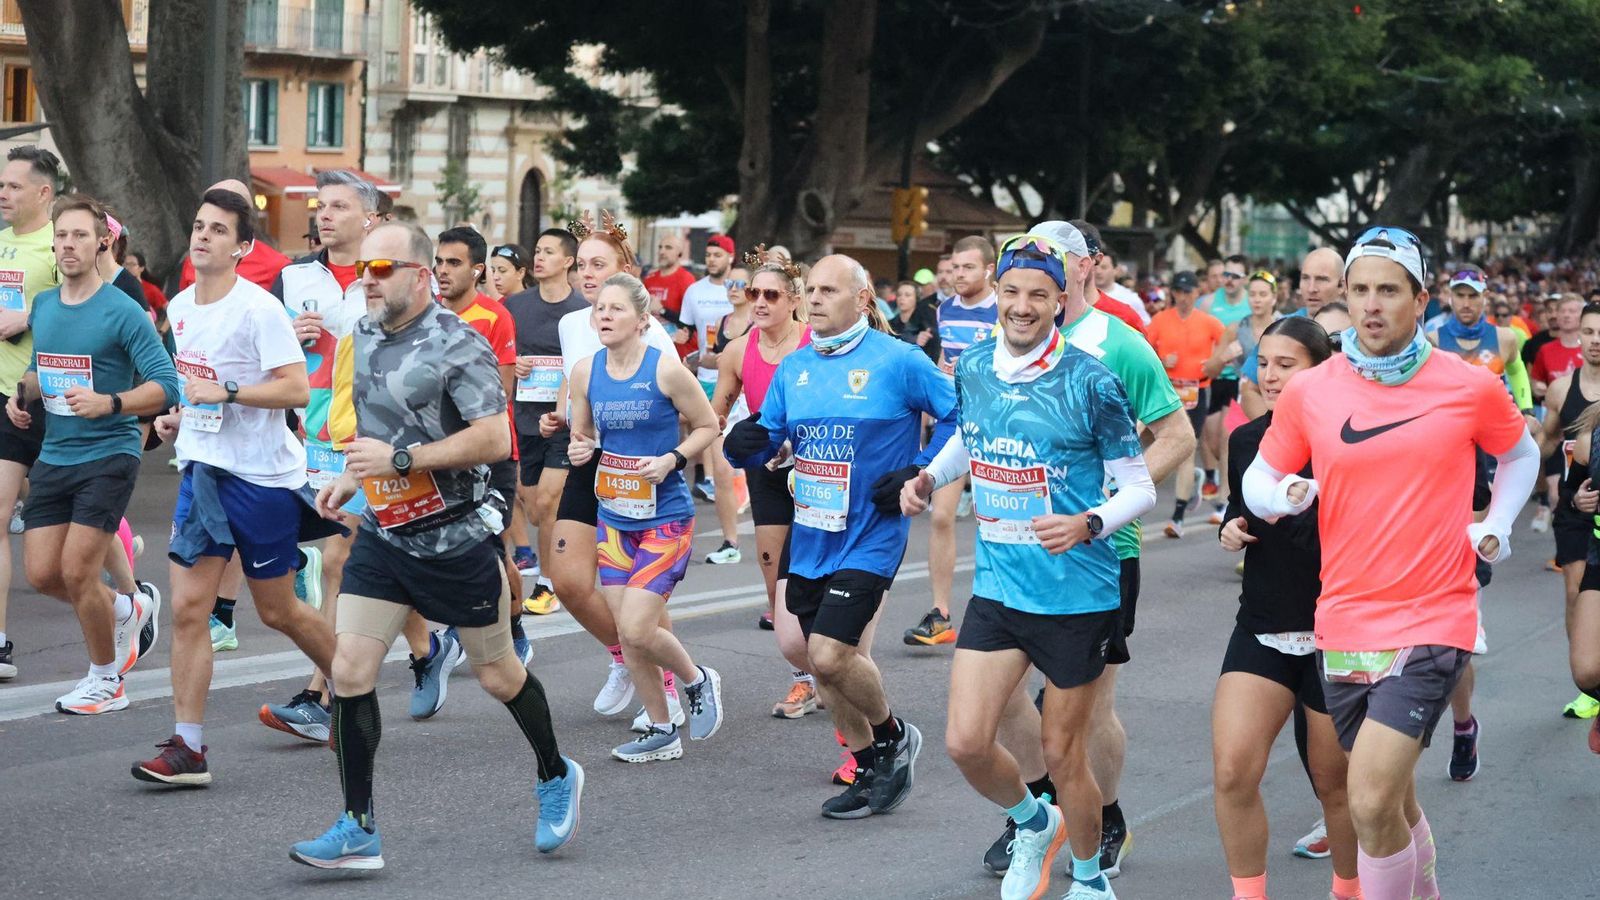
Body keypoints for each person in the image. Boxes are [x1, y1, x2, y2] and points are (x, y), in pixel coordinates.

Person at [1244, 226, 1538, 900]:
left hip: (1436, 614)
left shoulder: (1468, 386)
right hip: (1344, 618)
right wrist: (1283, 493)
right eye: (1360, 289)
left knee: (1368, 801)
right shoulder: (1313, 391)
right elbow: (1259, 477)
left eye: (1388, 290)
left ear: (1419, 299)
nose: (1371, 304)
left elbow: (1521, 454)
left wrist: (1496, 524)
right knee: (1396, 802)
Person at [289, 221, 581, 869]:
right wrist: (351, 478)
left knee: (498, 675)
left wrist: (400, 458)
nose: (367, 277)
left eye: (383, 267)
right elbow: (375, 425)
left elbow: (493, 440)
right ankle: (358, 825)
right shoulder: (362, 334)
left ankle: (556, 772)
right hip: (387, 534)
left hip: (456, 538)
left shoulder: (460, 344)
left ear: (420, 276)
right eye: (364, 266)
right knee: (350, 671)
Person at [903, 228, 1157, 900]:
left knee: (1064, 752)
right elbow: (970, 436)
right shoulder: (977, 365)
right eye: (1011, 291)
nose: (1021, 305)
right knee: (964, 742)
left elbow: (1140, 485)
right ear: (998, 294)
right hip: (1000, 585)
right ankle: (1031, 821)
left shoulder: (1091, 381)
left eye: (1036, 294)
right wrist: (929, 477)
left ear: (1057, 300)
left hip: (1077, 594)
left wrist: (1089, 522)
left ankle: (1090, 879)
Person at [975, 220, 1194, 881]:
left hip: (1100, 551)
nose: (1042, 269)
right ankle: (1044, 810)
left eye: (1059, 260)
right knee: (1002, 699)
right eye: (1027, 259)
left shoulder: (1119, 343)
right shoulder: (1007, 334)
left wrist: (1100, 506)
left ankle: (1107, 815)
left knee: (1087, 707)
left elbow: (1177, 436)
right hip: (1011, 549)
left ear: (1087, 268)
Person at [725, 252, 957, 820]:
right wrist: (751, 442)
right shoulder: (795, 368)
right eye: (813, 290)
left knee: (831, 652)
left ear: (863, 299)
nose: (817, 299)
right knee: (815, 659)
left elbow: (961, 416)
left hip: (872, 532)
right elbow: (772, 437)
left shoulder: (899, 361)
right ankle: (868, 764)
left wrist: (920, 470)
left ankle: (892, 737)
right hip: (813, 533)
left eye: (830, 290)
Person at [132, 189, 337, 785]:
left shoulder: (257, 310)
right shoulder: (182, 305)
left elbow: (296, 389)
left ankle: (351, 693)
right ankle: (187, 747)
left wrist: (227, 394)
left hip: (262, 478)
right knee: (190, 609)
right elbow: (194, 385)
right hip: (202, 471)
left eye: (218, 231)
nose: (203, 237)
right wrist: (179, 418)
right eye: (199, 227)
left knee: (278, 610)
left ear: (243, 247)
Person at [8, 193, 177, 714]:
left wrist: (111, 403)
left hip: (110, 452)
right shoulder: (46, 306)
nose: (68, 245)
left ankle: (107, 679)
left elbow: (167, 385)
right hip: (56, 453)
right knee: (41, 574)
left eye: (80, 235)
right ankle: (126, 606)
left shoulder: (124, 311)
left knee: (79, 571)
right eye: (61, 236)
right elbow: (46, 369)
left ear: (103, 240)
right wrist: (25, 393)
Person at [1214, 316, 1360, 900]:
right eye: (1264, 363)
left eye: (1286, 364)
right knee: (1231, 772)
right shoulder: (1248, 440)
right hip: (1266, 623)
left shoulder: (1352, 439)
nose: (1270, 376)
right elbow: (1238, 505)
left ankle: (1349, 889)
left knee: (1336, 787)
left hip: (1339, 630)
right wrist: (1231, 527)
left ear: (1320, 369)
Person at [566, 272, 725, 762]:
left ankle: (697, 680)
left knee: (637, 628)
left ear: (641, 320)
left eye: (616, 309)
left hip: (665, 518)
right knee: (627, 633)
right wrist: (578, 447)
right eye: (599, 309)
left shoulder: (667, 370)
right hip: (614, 515)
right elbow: (583, 435)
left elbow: (708, 425)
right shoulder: (585, 371)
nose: (604, 317)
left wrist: (673, 459)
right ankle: (661, 730)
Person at [250, 170, 377, 730]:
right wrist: (290, 337)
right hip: (313, 433)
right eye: (320, 206)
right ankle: (427, 649)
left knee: (339, 560)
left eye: (339, 206)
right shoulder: (294, 275)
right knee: (344, 562)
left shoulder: (387, 274)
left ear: (369, 218)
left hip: (373, 433)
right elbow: (266, 355)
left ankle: (323, 696)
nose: (324, 216)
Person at [543, 212, 680, 722]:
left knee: (643, 591)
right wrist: (561, 417)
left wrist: (664, 460)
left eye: (598, 264)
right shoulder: (570, 324)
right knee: (569, 580)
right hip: (587, 462)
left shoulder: (652, 333)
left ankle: (666, 684)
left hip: (638, 467)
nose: (586, 274)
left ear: (625, 269)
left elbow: (676, 401)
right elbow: (576, 380)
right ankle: (625, 655)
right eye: (581, 265)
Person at [710, 247, 819, 720]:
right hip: (767, 468)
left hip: (820, 469)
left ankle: (837, 659)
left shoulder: (815, 344)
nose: (758, 302)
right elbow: (713, 412)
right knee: (775, 574)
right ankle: (805, 677)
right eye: (754, 292)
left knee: (820, 572)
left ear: (794, 299)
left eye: (771, 294)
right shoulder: (738, 349)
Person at [905, 235, 996, 646]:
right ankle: (940, 614)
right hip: (956, 420)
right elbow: (945, 364)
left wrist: (975, 369)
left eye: (968, 268)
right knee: (941, 515)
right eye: (955, 268)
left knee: (996, 520)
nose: (958, 275)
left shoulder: (1005, 307)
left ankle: (1000, 608)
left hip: (999, 422)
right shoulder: (946, 309)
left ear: (989, 271)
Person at [0, 145, 62, 681]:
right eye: (2, 185)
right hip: (3, 393)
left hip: (48, 394)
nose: (3, 192)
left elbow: (85, 307)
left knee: (79, 516)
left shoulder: (59, 244)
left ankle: (132, 598)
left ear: (43, 193)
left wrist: (27, 316)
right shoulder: (0, 243)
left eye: (15, 185)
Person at [505, 228, 588, 614]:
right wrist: (516, 362)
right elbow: (501, 354)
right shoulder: (515, 306)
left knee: (550, 498)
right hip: (525, 418)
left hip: (565, 421)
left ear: (568, 261)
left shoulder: (581, 309)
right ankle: (557, 567)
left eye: (548, 252)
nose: (538, 258)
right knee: (535, 507)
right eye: (537, 250)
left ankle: (548, 583)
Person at [1535, 302, 1600, 721]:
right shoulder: (1563, 389)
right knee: (1575, 589)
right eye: (1591, 332)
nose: (1597, 341)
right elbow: (1545, 441)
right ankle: (1589, 685)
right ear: (1579, 335)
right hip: (1578, 508)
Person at [1145, 270, 1224, 538]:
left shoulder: (1209, 322)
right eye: (1179, 291)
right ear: (1173, 293)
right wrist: (1159, 359)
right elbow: (1143, 352)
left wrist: (1214, 364)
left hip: (1197, 392)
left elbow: (1227, 345)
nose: (1183, 297)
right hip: (1165, 391)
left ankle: (1177, 516)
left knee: (1186, 450)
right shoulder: (1159, 320)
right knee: (1152, 443)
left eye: (1188, 292)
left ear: (1196, 293)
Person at [678, 233, 742, 557]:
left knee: (758, 468)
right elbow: (689, 335)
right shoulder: (696, 293)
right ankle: (730, 541)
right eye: (710, 254)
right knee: (721, 469)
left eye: (719, 254)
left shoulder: (757, 309)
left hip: (747, 391)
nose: (713, 259)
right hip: (709, 382)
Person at [1529, 294, 1585, 534]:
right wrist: (1539, 388)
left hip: (1586, 434)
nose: (1566, 315)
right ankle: (1564, 550)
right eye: (1563, 311)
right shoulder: (1546, 350)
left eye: (1573, 311)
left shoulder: (1592, 348)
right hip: (1556, 431)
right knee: (1555, 494)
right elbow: (1535, 381)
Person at [644, 232, 697, 361]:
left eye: (668, 248)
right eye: (660, 247)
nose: (662, 251)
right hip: (654, 349)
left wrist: (662, 310)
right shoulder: (649, 279)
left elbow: (693, 321)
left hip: (680, 353)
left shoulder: (686, 279)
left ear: (680, 253)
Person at [887, 279, 937, 361]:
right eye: (899, 295)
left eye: (907, 295)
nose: (902, 298)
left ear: (916, 298)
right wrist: (913, 339)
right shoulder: (889, 324)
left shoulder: (925, 324)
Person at [125, 250, 169, 315]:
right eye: (126, 264)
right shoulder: (119, 286)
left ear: (141, 268)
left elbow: (170, 309)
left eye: (132, 264)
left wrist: (163, 325)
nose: (127, 267)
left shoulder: (151, 289)